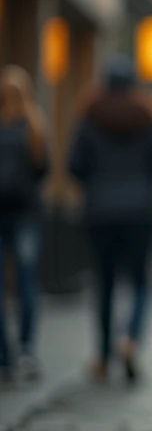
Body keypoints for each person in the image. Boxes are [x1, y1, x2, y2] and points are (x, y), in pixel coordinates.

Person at [69, 55, 152, 383]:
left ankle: (102, 355)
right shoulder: (147, 117)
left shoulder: (90, 116)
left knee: (105, 284)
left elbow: (75, 166)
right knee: (140, 281)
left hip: (100, 211)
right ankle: (130, 337)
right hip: (140, 211)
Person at [0, 65, 48, 383]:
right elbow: (44, 169)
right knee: (28, 283)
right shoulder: (34, 126)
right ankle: (27, 349)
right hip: (28, 215)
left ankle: (5, 357)